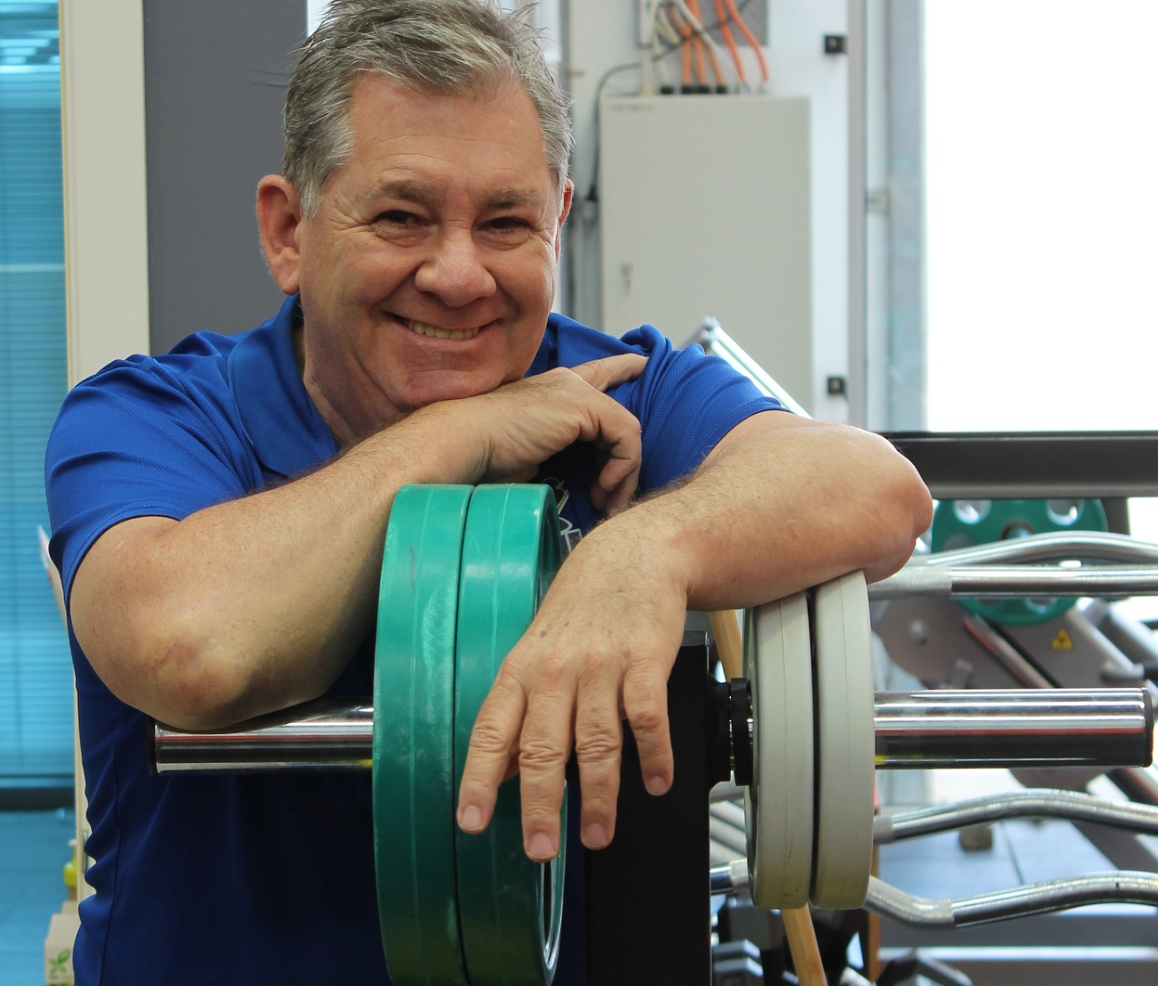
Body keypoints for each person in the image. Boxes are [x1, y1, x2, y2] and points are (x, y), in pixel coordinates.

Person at [45, 0, 932, 982]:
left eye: (506, 222)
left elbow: (878, 493)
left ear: (556, 221)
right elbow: (189, 646)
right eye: (401, 217)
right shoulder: (149, 417)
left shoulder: (619, 389)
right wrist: (458, 435)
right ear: (289, 231)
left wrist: (645, 550)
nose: (460, 275)